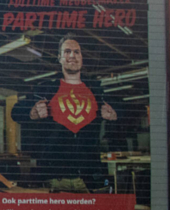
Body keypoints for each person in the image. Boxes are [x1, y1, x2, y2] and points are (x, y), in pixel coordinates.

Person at [11, 34, 119, 192]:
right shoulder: (46, 89)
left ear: (81, 58)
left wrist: (115, 115)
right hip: (54, 179)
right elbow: (15, 111)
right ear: (59, 58)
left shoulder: (96, 91)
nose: (72, 56)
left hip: (89, 179)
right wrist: (32, 112)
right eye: (67, 52)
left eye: (77, 52)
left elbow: (128, 110)